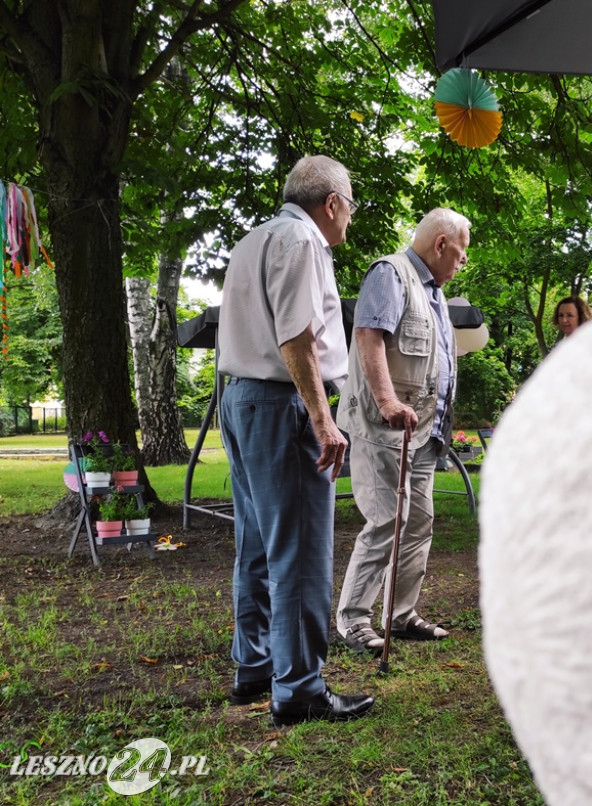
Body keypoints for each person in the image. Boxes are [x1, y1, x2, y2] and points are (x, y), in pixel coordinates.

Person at [217, 155, 374, 726]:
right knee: (302, 549)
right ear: (331, 203)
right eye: (349, 208)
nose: (349, 221)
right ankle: (300, 688)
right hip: (283, 406)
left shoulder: (251, 240)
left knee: (256, 546)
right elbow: (297, 336)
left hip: (240, 400)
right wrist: (322, 417)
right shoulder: (303, 242)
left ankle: (254, 667)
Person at [334, 207, 470, 653]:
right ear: (441, 244)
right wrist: (388, 400)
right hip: (386, 428)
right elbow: (369, 336)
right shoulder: (390, 274)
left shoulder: (433, 294)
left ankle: (400, 613)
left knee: (418, 523)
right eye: (461, 253)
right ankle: (353, 619)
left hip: (426, 432)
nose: (462, 263)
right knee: (388, 519)